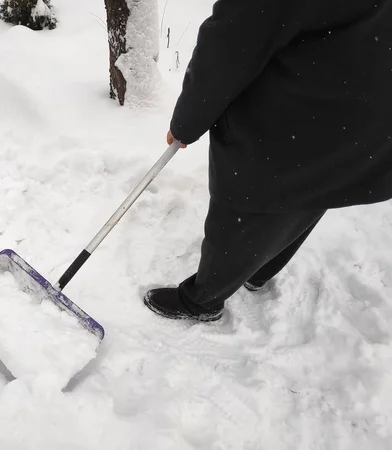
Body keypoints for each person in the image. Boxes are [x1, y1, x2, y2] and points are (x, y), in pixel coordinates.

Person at [144, 0, 392, 322]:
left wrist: (187, 122)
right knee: (317, 189)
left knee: (247, 203)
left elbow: (228, 46)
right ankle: (259, 269)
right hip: (363, 112)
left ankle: (203, 300)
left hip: (298, 118)